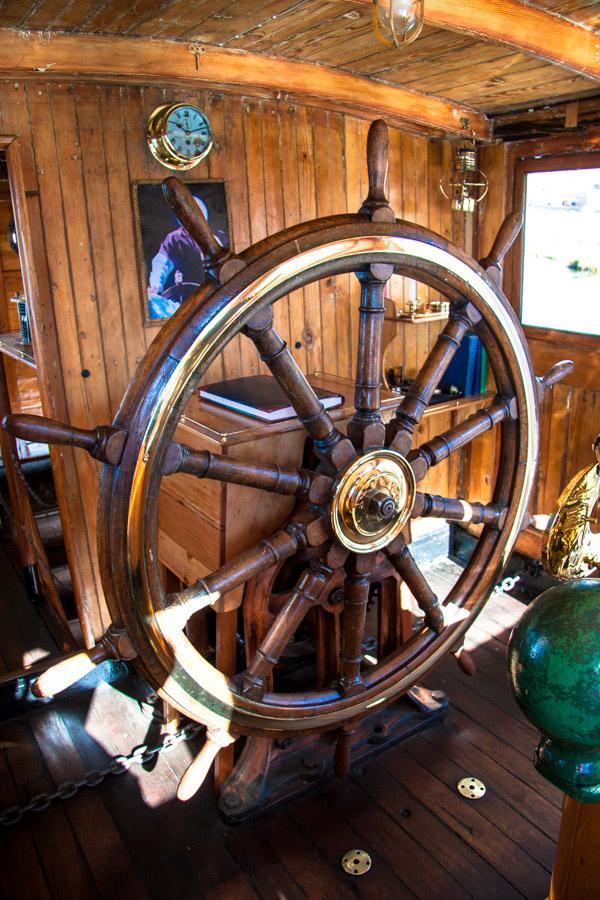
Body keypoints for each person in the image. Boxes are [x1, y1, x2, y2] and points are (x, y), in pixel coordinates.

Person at [147, 195, 227, 319]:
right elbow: (161, 264)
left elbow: (223, 269)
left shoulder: (214, 238)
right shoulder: (174, 238)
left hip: (209, 294)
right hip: (182, 292)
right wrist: (155, 285)